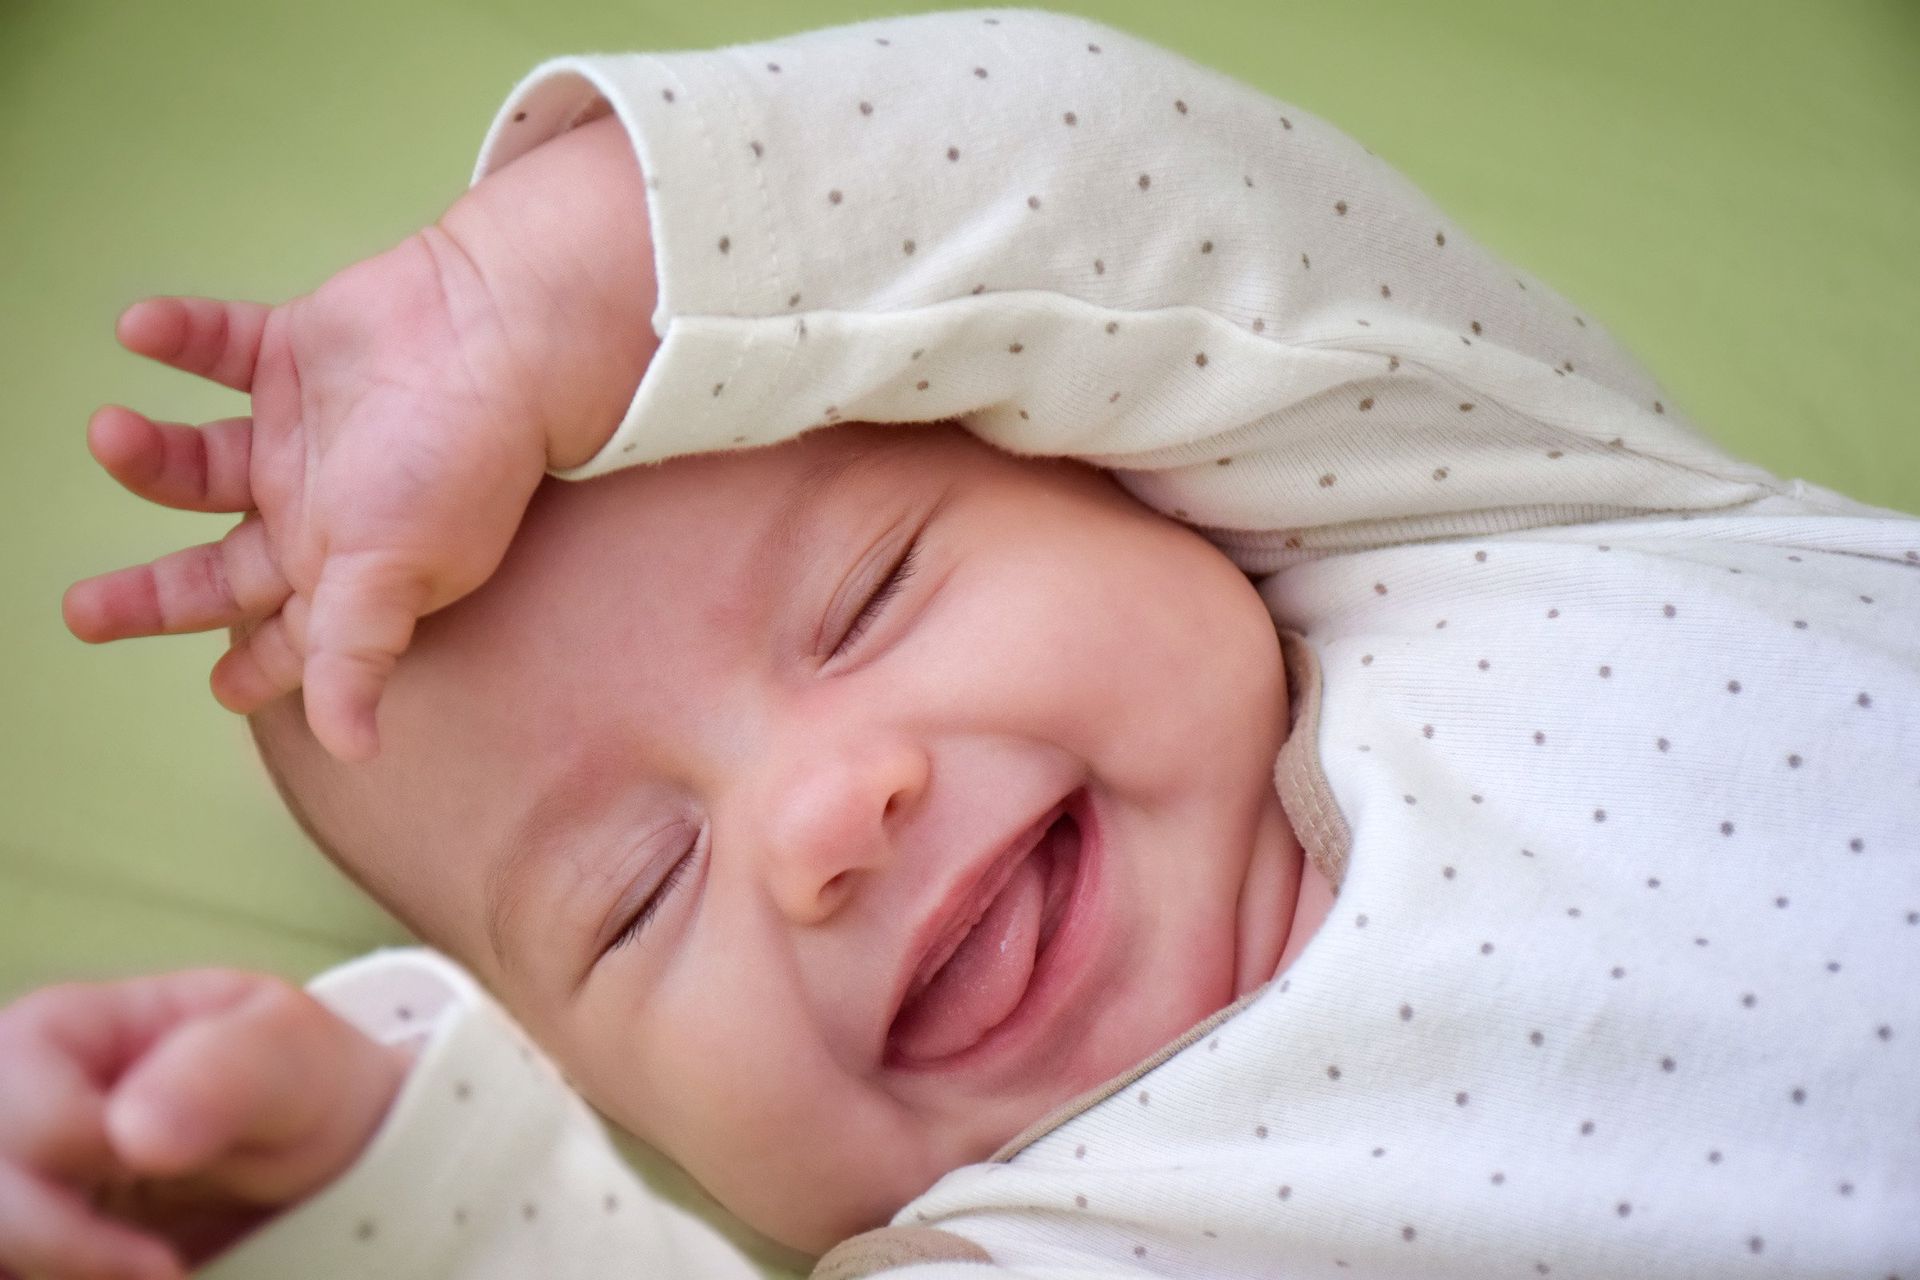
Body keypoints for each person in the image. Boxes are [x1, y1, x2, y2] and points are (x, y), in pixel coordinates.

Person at [5, 8, 1917, 1279]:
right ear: (603, 1105)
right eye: (634, 896)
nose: (826, 819)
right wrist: (371, 1175)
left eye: (874, 598)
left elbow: (1114, 190)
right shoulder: (1026, 1241)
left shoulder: (1481, 499)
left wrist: (524, 302)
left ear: (1136, 470)